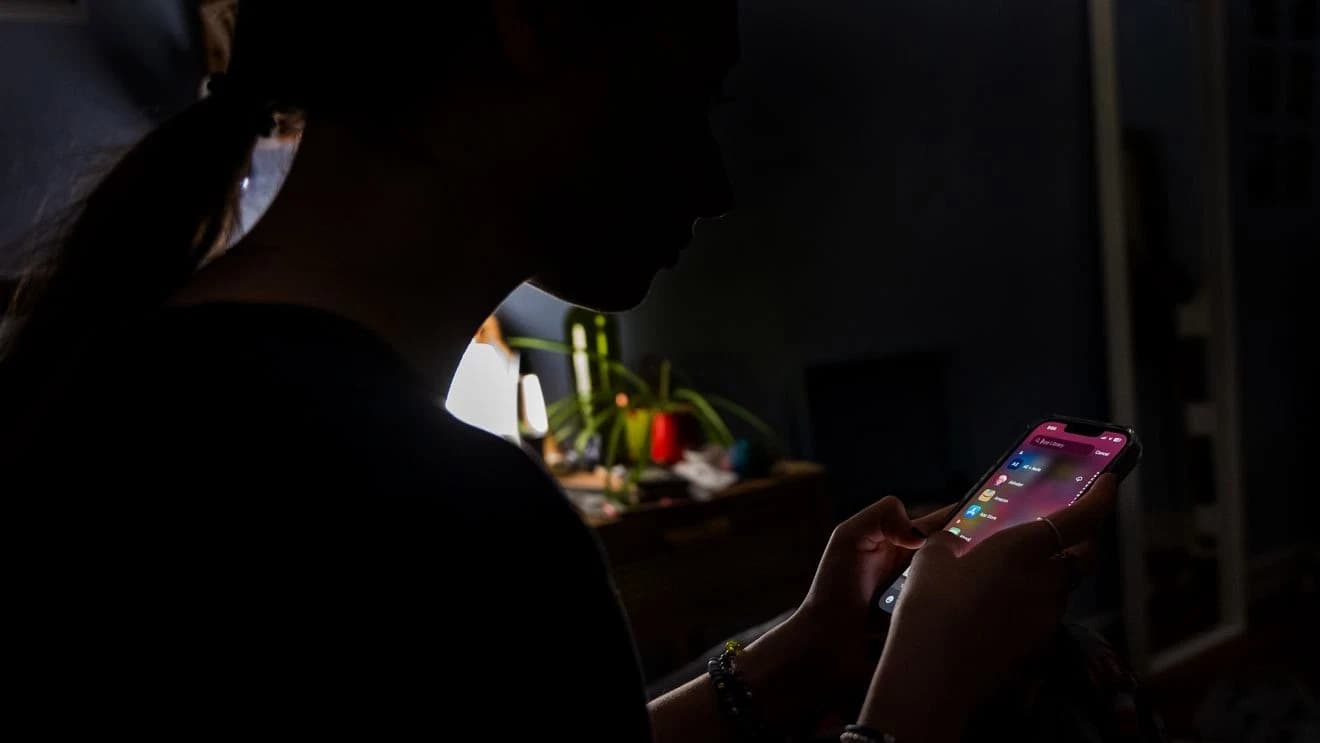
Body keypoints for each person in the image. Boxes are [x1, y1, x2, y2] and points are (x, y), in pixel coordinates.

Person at [0, 3, 1121, 741]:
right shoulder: (446, 527)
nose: (717, 182)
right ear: (535, 20)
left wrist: (801, 656)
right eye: (696, 92)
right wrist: (922, 693)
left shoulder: (105, 385)